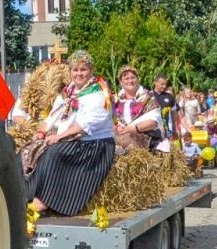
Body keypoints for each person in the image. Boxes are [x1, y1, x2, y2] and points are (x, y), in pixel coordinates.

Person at [26, 51, 116, 226]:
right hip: (70, 139)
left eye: (83, 69)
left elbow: (84, 126)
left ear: (91, 70)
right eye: (75, 70)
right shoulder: (68, 92)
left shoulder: (99, 93)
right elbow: (53, 116)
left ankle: (45, 202)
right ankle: (27, 194)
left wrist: (58, 137)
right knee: (29, 150)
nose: (79, 73)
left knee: (54, 154)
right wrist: (41, 133)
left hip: (93, 145)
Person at [114, 68, 161, 152]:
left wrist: (134, 128)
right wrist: (118, 127)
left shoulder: (148, 98)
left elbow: (154, 121)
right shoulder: (117, 101)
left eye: (133, 77)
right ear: (121, 82)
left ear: (137, 79)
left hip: (145, 139)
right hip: (121, 138)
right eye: (126, 78)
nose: (130, 81)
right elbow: (113, 120)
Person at [151, 76, 178, 151]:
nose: (164, 86)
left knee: (166, 151)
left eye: (165, 84)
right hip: (152, 129)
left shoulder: (169, 97)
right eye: (162, 84)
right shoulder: (149, 96)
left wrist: (175, 129)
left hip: (167, 129)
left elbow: (173, 113)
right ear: (155, 83)